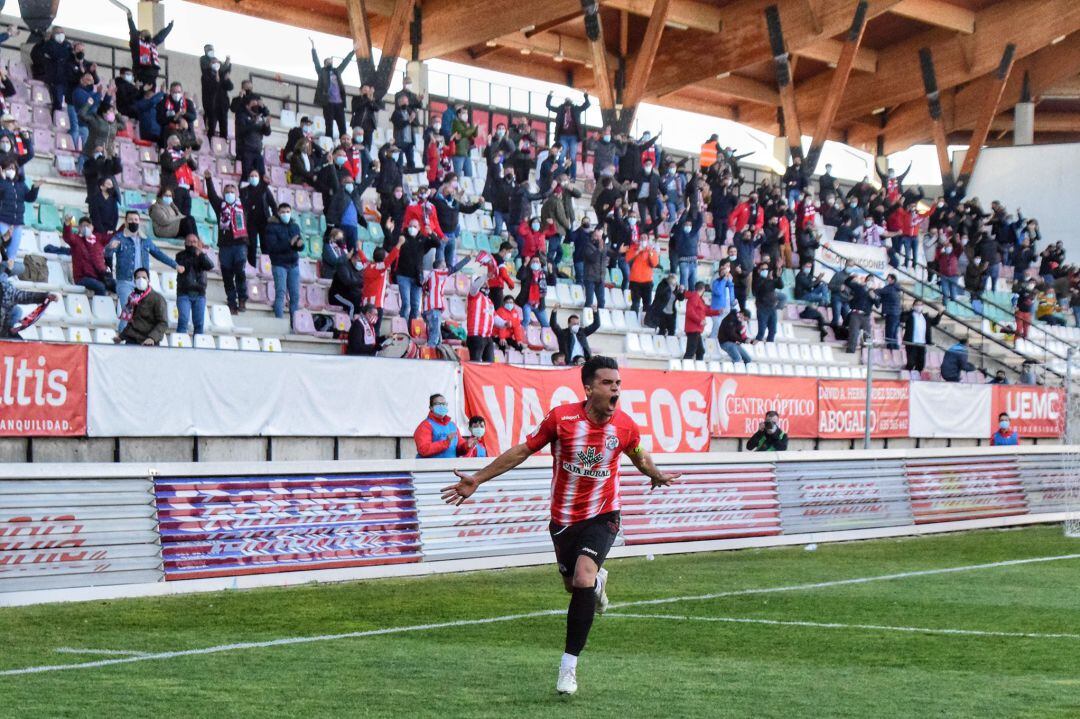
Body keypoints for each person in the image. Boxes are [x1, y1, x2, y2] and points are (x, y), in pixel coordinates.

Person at [441, 356, 680, 696]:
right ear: (588, 388)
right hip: (564, 519)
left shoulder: (625, 426)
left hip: (604, 514)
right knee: (574, 586)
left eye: (618, 384)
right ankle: (596, 585)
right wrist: (478, 478)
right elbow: (524, 450)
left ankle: (568, 667)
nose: (615, 389)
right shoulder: (562, 419)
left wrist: (654, 473)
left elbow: (638, 453)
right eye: (607, 383)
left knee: (582, 575)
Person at [105, 210, 178, 327]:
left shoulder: (145, 239)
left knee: (142, 314)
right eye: (130, 220)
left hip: (143, 282)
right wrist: (109, 248)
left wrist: (174, 265)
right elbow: (107, 254)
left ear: (139, 221)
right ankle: (122, 340)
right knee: (128, 312)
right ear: (126, 222)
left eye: (136, 220)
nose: (133, 222)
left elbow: (158, 253)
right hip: (125, 281)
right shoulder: (119, 238)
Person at [205, 173, 250, 314]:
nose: (230, 194)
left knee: (240, 273)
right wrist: (208, 179)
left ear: (236, 194)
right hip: (225, 246)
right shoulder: (220, 207)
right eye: (227, 192)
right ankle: (232, 302)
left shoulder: (243, 206)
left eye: (232, 191)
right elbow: (212, 195)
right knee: (227, 276)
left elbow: (256, 195)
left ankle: (242, 298)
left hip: (240, 245)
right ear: (223, 194)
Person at [263, 203, 304, 324]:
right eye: (283, 212)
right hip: (279, 264)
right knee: (280, 294)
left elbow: (298, 244)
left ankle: (294, 324)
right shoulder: (271, 227)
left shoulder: (294, 226)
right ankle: (279, 323)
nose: (285, 214)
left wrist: (300, 245)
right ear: (278, 213)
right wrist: (289, 243)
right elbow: (272, 247)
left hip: (293, 264)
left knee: (295, 296)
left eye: (287, 211)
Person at [396, 218, 441, 324]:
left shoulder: (423, 239)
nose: (412, 228)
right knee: (406, 304)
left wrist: (431, 233)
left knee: (416, 306)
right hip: (403, 275)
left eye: (415, 226)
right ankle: (402, 329)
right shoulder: (402, 237)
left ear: (419, 228)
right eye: (410, 226)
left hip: (417, 277)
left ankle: (411, 329)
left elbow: (437, 244)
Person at [421, 256, 469, 347]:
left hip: (427, 309)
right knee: (434, 337)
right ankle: (428, 358)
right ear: (440, 267)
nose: (446, 267)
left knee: (437, 338)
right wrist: (468, 259)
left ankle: (435, 357)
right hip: (434, 308)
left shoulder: (428, 275)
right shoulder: (439, 273)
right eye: (444, 266)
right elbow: (455, 268)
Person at [311, 39, 353, 139]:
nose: (330, 63)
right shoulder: (322, 72)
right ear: (325, 64)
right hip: (328, 103)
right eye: (328, 62)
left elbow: (345, 63)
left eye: (331, 61)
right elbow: (316, 62)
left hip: (339, 103)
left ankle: (344, 144)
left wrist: (353, 51)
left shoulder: (337, 71)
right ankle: (328, 144)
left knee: (342, 127)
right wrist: (313, 48)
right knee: (329, 126)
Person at [0, 165, 38, 272]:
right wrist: (2, 179)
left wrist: (35, 187)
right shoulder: (2, 182)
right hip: (3, 220)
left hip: (17, 223)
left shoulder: (20, 184)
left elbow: (29, 198)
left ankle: (5, 278)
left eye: (13, 168)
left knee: (12, 253)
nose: (11, 171)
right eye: (8, 168)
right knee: (1, 247)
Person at [174, 234, 214, 336]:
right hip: (184, 293)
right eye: (190, 241)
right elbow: (184, 266)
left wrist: (201, 254)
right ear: (185, 243)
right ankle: (180, 346)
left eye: (194, 242)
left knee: (199, 324)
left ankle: (198, 346)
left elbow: (210, 266)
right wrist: (194, 254)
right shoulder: (180, 255)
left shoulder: (201, 255)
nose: (192, 244)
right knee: (183, 321)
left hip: (200, 294)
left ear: (198, 243)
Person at [62, 216, 113, 295]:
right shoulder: (76, 239)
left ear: (92, 227)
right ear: (79, 228)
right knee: (100, 287)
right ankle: (100, 307)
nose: (86, 228)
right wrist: (67, 225)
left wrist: (124, 227)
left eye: (88, 225)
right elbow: (67, 237)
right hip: (82, 277)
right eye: (83, 226)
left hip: (99, 276)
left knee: (116, 286)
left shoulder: (98, 238)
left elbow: (114, 236)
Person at [115, 267, 167, 346]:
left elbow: (163, 323)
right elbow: (131, 322)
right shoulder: (132, 298)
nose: (141, 280)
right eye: (138, 278)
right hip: (132, 340)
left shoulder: (157, 298)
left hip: (149, 342)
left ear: (148, 280)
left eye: (144, 277)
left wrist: (152, 338)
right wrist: (121, 337)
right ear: (134, 281)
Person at [546, 92, 590, 180]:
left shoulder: (576, 109)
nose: (567, 104)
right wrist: (549, 96)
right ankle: (559, 174)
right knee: (561, 156)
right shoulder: (560, 109)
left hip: (574, 137)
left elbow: (586, 105)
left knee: (572, 157)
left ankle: (572, 177)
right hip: (563, 136)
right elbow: (548, 106)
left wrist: (586, 96)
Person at [0, 273, 56, 339]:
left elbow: (24, 296)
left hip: (3, 331)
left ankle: (8, 330)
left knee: (17, 311)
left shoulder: (6, 289)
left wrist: (44, 296)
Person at [126, 10, 173, 85]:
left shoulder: (152, 43)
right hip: (141, 72)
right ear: (140, 36)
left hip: (153, 73)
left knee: (150, 90)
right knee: (142, 91)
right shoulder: (136, 43)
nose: (148, 33)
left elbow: (160, 36)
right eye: (144, 32)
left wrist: (169, 27)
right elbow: (133, 31)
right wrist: (130, 19)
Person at [240, 169, 276, 267]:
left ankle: (267, 267)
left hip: (264, 221)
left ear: (259, 178)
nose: (254, 178)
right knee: (252, 246)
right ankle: (252, 267)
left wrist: (275, 216)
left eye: (255, 176)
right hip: (251, 222)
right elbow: (244, 205)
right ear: (248, 178)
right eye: (251, 176)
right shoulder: (244, 190)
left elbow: (273, 204)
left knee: (266, 246)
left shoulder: (265, 190)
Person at [414, 393, 467, 458]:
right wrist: (446, 443)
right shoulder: (425, 426)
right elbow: (424, 450)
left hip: (451, 467)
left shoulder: (452, 426)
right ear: (431, 408)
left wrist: (467, 446)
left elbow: (459, 450)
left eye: (444, 404)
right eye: (438, 404)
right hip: (431, 467)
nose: (442, 406)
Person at [900, 301, 943, 373]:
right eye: (917, 305)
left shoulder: (925, 317)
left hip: (922, 344)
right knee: (911, 363)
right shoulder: (910, 315)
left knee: (921, 364)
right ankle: (907, 376)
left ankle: (916, 377)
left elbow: (935, 322)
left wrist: (940, 313)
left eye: (921, 305)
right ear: (913, 306)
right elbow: (902, 319)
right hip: (911, 343)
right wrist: (906, 311)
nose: (919, 306)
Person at [236, 93, 272, 179]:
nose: (256, 105)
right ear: (247, 106)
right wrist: (253, 122)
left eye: (257, 103)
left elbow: (267, 133)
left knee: (261, 176)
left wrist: (267, 125)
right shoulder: (242, 116)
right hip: (246, 151)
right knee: (247, 176)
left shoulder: (260, 117)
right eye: (254, 103)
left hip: (258, 151)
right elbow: (241, 131)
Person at [681, 281, 720, 361]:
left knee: (700, 351)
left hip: (696, 329)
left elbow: (705, 310)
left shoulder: (698, 299)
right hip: (693, 329)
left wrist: (717, 311)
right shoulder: (694, 298)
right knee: (691, 351)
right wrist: (700, 321)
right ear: (703, 289)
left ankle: (697, 368)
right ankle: (684, 368)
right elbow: (690, 312)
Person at [465, 274, 498, 362]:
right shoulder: (474, 295)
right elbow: (475, 286)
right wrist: (487, 275)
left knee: (490, 365)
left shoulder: (490, 301)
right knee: (475, 363)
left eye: (487, 284)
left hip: (488, 337)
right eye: (483, 283)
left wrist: (504, 323)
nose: (486, 285)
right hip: (476, 336)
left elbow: (495, 318)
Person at [200, 50, 232, 140]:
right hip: (212, 106)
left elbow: (230, 87)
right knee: (211, 128)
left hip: (222, 106)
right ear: (210, 64)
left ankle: (223, 145)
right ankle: (210, 144)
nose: (216, 64)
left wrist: (227, 79)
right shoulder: (206, 75)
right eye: (213, 62)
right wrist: (216, 80)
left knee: (224, 128)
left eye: (217, 62)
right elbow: (209, 88)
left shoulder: (222, 75)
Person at [625, 233, 659, 313]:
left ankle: (645, 321)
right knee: (635, 304)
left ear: (648, 240)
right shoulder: (633, 248)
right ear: (639, 240)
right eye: (642, 238)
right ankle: (633, 321)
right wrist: (638, 251)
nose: (643, 240)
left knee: (647, 304)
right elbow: (627, 259)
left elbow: (655, 263)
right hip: (635, 281)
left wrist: (650, 252)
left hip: (647, 281)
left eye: (645, 238)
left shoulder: (651, 250)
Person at [752, 263, 784, 342]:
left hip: (772, 308)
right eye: (763, 269)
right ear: (759, 271)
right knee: (761, 331)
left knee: (773, 331)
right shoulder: (757, 280)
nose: (765, 271)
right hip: (762, 308)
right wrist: (768, 279)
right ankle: (756, 346)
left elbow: (780, 286)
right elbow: (759, 289)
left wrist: (779, 277)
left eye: (766, 269)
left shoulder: (770, 280)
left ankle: (770, 345)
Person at [516, 254, 550, 328]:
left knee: (546, 325)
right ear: (530, 263)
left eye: (537, 262)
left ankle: (543, 338)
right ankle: (519, 336)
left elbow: (552, 281)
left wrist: (551, 270)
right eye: (533, 262)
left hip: (539, 304)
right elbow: (519, 276)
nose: (535, 263)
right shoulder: (527, 272)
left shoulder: (543, 274)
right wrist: (525, 263)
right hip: (527, 302)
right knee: (526, 320)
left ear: (540, 264)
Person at [581, 228, 607, 310]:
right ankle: (587, 320)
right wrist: (599, 250)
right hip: (590, 278)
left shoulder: (604, 247)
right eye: (596, 236)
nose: (598, 238)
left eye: (600, 236)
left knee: (602, 301)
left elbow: (613, 254)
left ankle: (600, 318)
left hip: (600, 278)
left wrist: (619, 251)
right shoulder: (587, 246)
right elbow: (592, 258)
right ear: (592, 236)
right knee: (589, 301)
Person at [450, 107, 479, 178]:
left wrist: (476, 127)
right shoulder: (456, 122)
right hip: (458, 153)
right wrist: (472, 128)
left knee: (469, 175)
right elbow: (464, 133)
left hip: (467, 153)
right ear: (459, 114)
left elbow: (475, 135)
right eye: (463, 113)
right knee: (457, 176)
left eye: (466, 113)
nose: (466, 115)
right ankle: (456, 188)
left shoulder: (466, 124)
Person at [876, 274, 903, 350]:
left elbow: (879, 291)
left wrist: (872, 290)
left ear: (892, 280)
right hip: (896, 313)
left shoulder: (890, 288)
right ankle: (894, 348)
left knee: (890, 332)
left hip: (891, 313)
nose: (886, 280)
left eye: (888, 279)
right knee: (894, 332)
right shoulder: (896, 288)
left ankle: (891, 348)